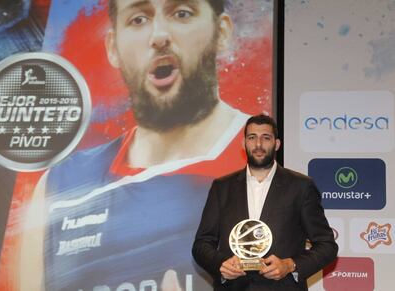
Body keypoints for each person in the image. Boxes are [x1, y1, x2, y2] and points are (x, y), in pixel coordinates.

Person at [19, 0, 256, 290]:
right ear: (113, 47)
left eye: (181, 13)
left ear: (221, 32)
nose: (158, 36)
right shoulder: (59, 188)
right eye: (138, 19)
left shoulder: (266, 166)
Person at [192, 114, 338, 291]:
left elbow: (327, 246)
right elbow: (201, 245)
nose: (258, 145)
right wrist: (221, 264)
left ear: (276, 144)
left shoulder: (301, 187)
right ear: (244, 143)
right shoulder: (222, 187)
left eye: (265, 138)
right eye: (252, 138)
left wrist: (290, 265)